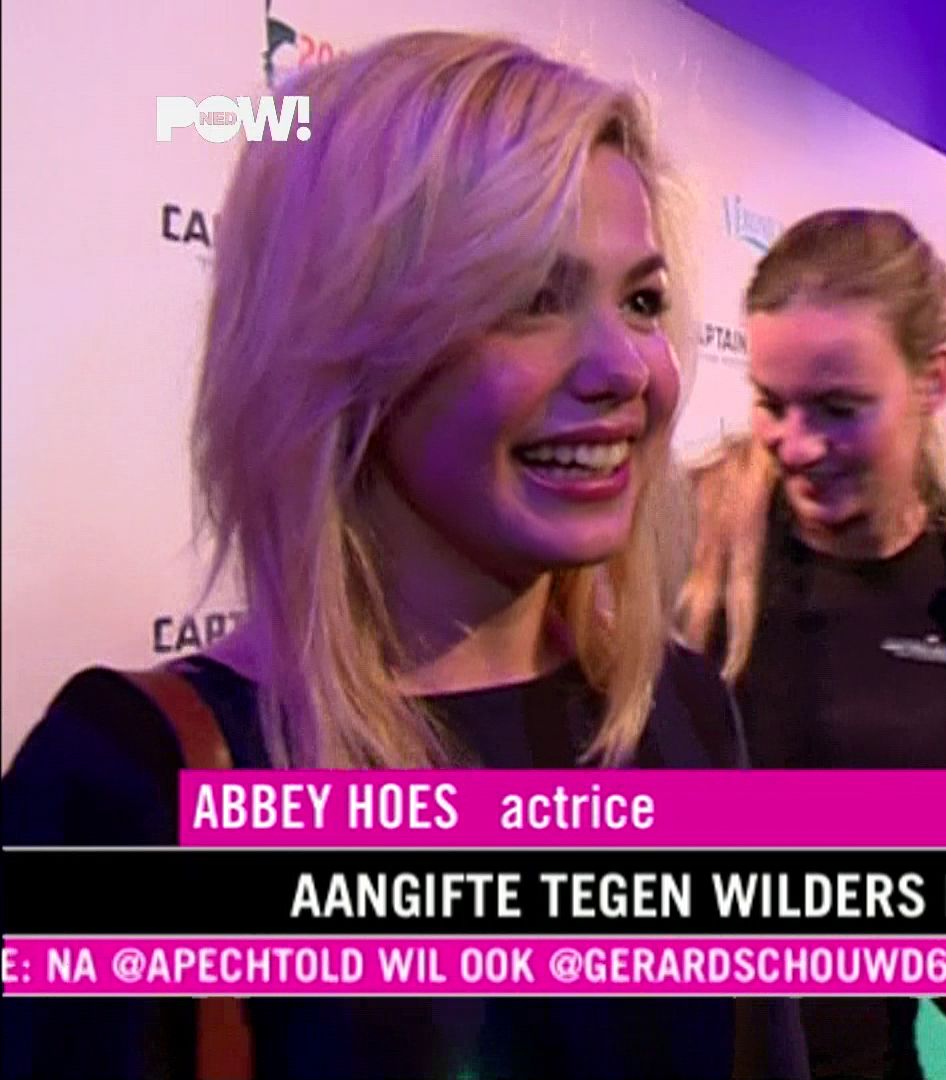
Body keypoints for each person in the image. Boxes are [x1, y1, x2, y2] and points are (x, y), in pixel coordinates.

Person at [1, 32, 797, 1080]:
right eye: (531, 296)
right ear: (347, 334)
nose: (625, 367)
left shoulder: (684, 713)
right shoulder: (123, 789)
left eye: (641, 300)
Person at [678, 207, 946, 1080]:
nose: (796, 445)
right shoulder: (688, 550)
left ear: (933, 379)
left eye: (839, 409)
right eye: (772, 403)